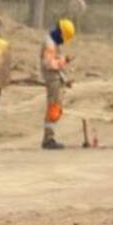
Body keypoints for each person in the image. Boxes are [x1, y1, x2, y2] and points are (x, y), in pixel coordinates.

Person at [40, 18, 76, 150]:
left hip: (56, 78)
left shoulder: (54, 42)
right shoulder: (50, 43)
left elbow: (55, 62)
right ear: (61, 33)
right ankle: (48, 139)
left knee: (56, 108)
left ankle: (49, 138)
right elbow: (49, 64)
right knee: (53, 108)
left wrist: (65, 80)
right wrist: (64, 61)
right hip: (52, 79)